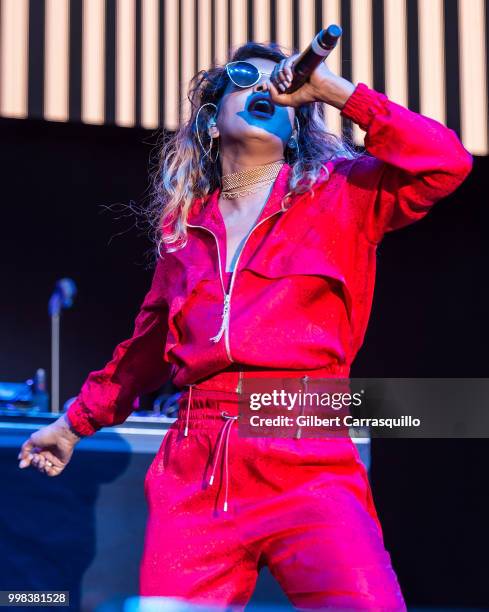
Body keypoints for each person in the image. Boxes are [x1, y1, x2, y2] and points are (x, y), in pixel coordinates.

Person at [18, 41, 473, 610]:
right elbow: (147, 347)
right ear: (211, 120)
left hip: (306, 450)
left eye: (278, 86)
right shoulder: (183, 230)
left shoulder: (342, 193)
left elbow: (445, 163)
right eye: (242, 79)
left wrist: (335, 90)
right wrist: (71, 424)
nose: (263, 89)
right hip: (196, 467)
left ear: (298, 120)